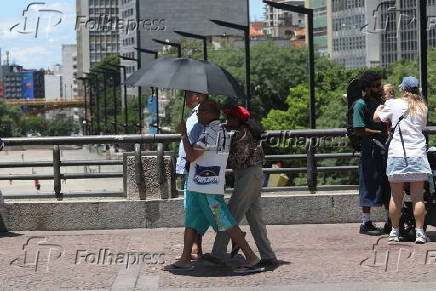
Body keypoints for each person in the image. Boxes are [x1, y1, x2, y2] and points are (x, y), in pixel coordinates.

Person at [164, 100, 263, 273]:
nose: (198, 114)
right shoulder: (222, 130)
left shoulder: (211, 132)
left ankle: (250, 256)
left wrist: (184, 135)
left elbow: (192, 156)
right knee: (191, 220)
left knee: (224, 221)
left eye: (201, 111)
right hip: (202, 185)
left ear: (210, 113)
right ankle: (185, 258)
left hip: (207, 188)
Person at [203, 106, 278, 268]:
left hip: (247, 176)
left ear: (238, 120)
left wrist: (221, 152)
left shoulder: (241, 134)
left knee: (229, 215)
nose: (227, 121)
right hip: (254, 175)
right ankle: (268, 255)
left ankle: (218, 252)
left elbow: (238, 159)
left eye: (230, 118)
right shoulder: (249, 131)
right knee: (255, 218)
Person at [374, 77, 431, 244]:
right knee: (418, 198)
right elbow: (421, 127)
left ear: (403, 90)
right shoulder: (422, 107)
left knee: (396, 197)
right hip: (418, 154)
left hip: (397, 154)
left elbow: (378, 118)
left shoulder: (393, 103)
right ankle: (420, 233)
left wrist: (378, 108)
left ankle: (394, 232)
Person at [353, 71, 391, 235]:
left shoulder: (382, 102)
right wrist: (378, 134)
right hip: (370, 151)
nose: (379, 88)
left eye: (379, 85)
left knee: (388, 185)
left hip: (386, 150)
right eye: (375, 86)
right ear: (367, 88)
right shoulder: (360, 105)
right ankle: (366, 223)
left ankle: (390, 221)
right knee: (368, 184)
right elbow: (358, 129)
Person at [175, 91, 207, 260]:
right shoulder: (195, 116)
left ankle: (189, 253)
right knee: (198, 209)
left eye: (187, 95)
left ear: (197, 96)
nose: (185, 99)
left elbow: (192, 149)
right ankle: (196, 247)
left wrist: (182, 133)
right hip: (196, 170)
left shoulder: (197, 118)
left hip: (193, 169)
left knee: (193, 210)